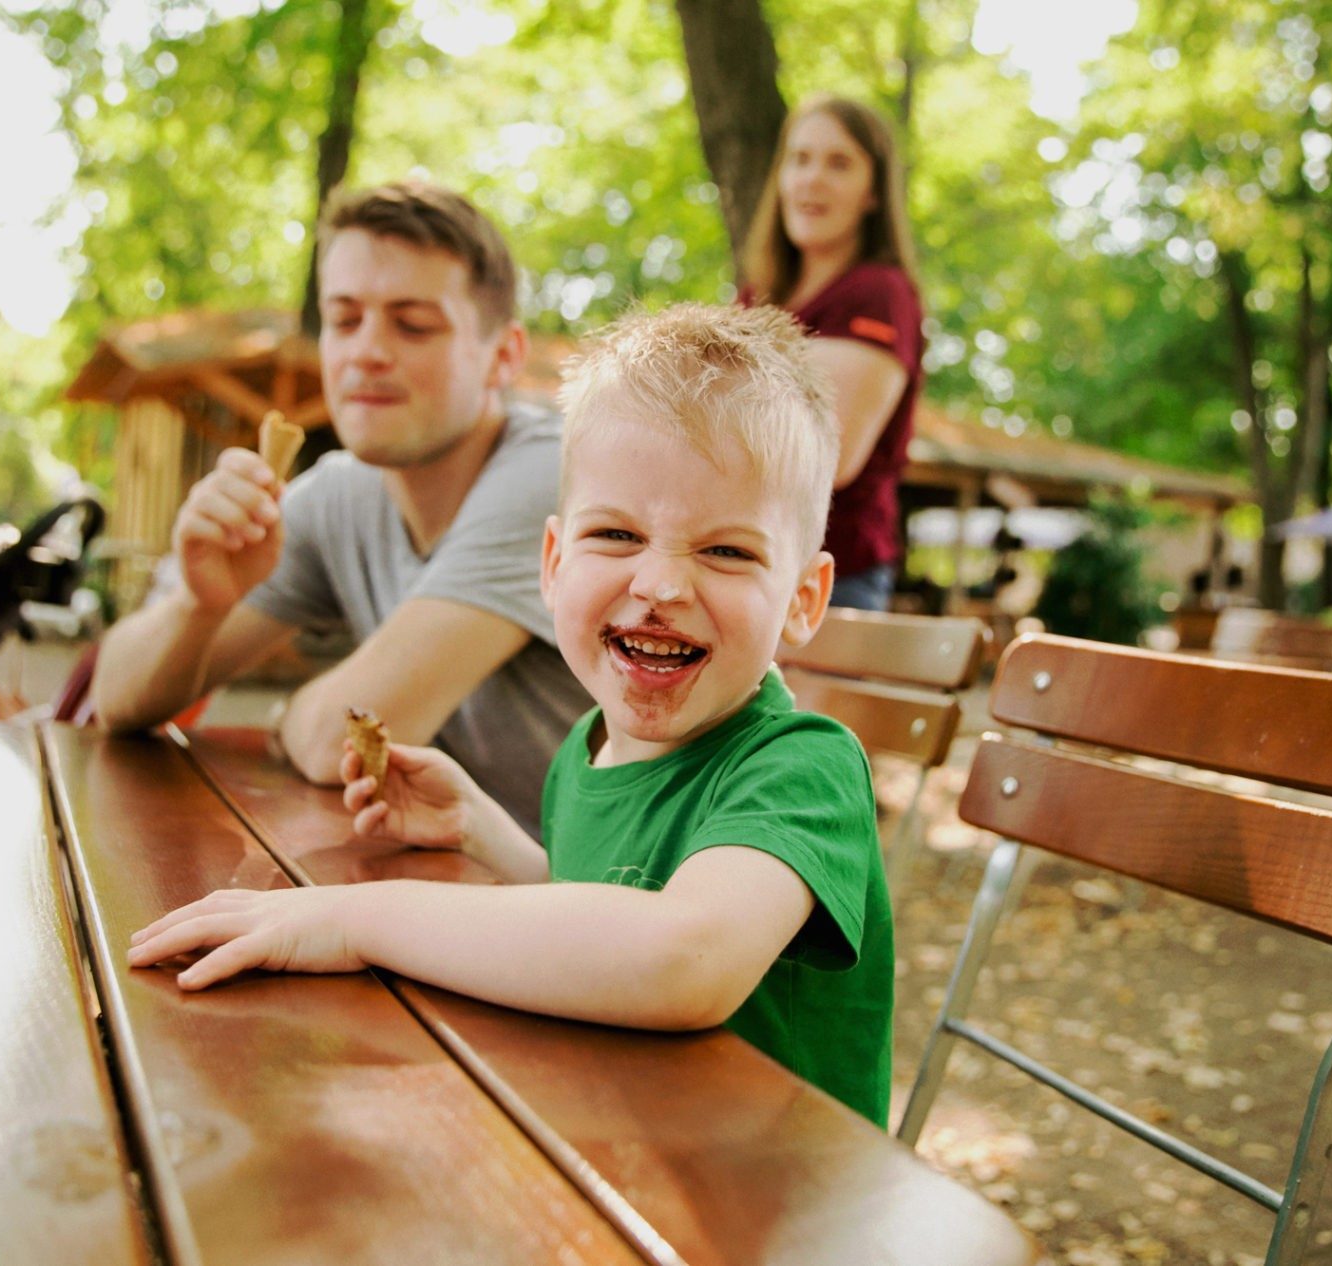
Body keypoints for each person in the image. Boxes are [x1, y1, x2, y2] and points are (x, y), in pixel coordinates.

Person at [128, 304, 895, 1125]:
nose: (662, 585)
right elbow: (596, 905)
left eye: (727, 551)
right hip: (617, 1140)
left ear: (805, 599)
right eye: (617, 535)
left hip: (774, 1201)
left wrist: (355, 919)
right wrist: (484, 833)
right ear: (554, 564)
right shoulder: (590, 745)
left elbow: (682, 955)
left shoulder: (801, 767)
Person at [91, 182, 592, 836]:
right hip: (466, 887)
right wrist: (198, 605)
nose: (367, 351)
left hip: (620, 902)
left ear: (504, 356)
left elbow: (343, 743)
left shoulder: (550, 477)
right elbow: (115, 699)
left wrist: (287, 718)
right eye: (345, 318)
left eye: (413, 324)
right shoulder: (340, 494)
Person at [740, 94, 925, 612]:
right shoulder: (756, 295)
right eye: (799, 159)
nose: (812, 178)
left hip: (833, 578)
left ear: (873, 192)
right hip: (748, 564)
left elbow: (832, 454)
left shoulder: (879, 294)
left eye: (838, 163)